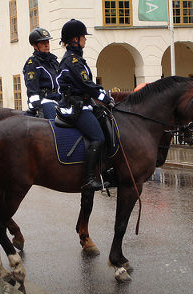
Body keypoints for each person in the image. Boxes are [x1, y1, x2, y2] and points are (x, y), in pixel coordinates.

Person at [57, 19, 114, 191]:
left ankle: (107, 168)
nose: (85, 40)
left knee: (106, 122)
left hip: (84, 102)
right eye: (83, 37)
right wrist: (105, 97)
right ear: (75, 39)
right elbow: (86, 85)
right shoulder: (72, 61)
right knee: (98, 137)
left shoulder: (77, 59)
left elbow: (89, 84)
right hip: (75, 105)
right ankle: (89, 179)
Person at [23, 27, 61, 119]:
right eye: (43, 43)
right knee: (55, 124)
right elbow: (32, 87)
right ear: (35, 45)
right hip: (45, 101)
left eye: (47, 42)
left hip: (60, 99)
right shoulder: (32, 64)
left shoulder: (53, 61)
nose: (47, 45)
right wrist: (37, 107)